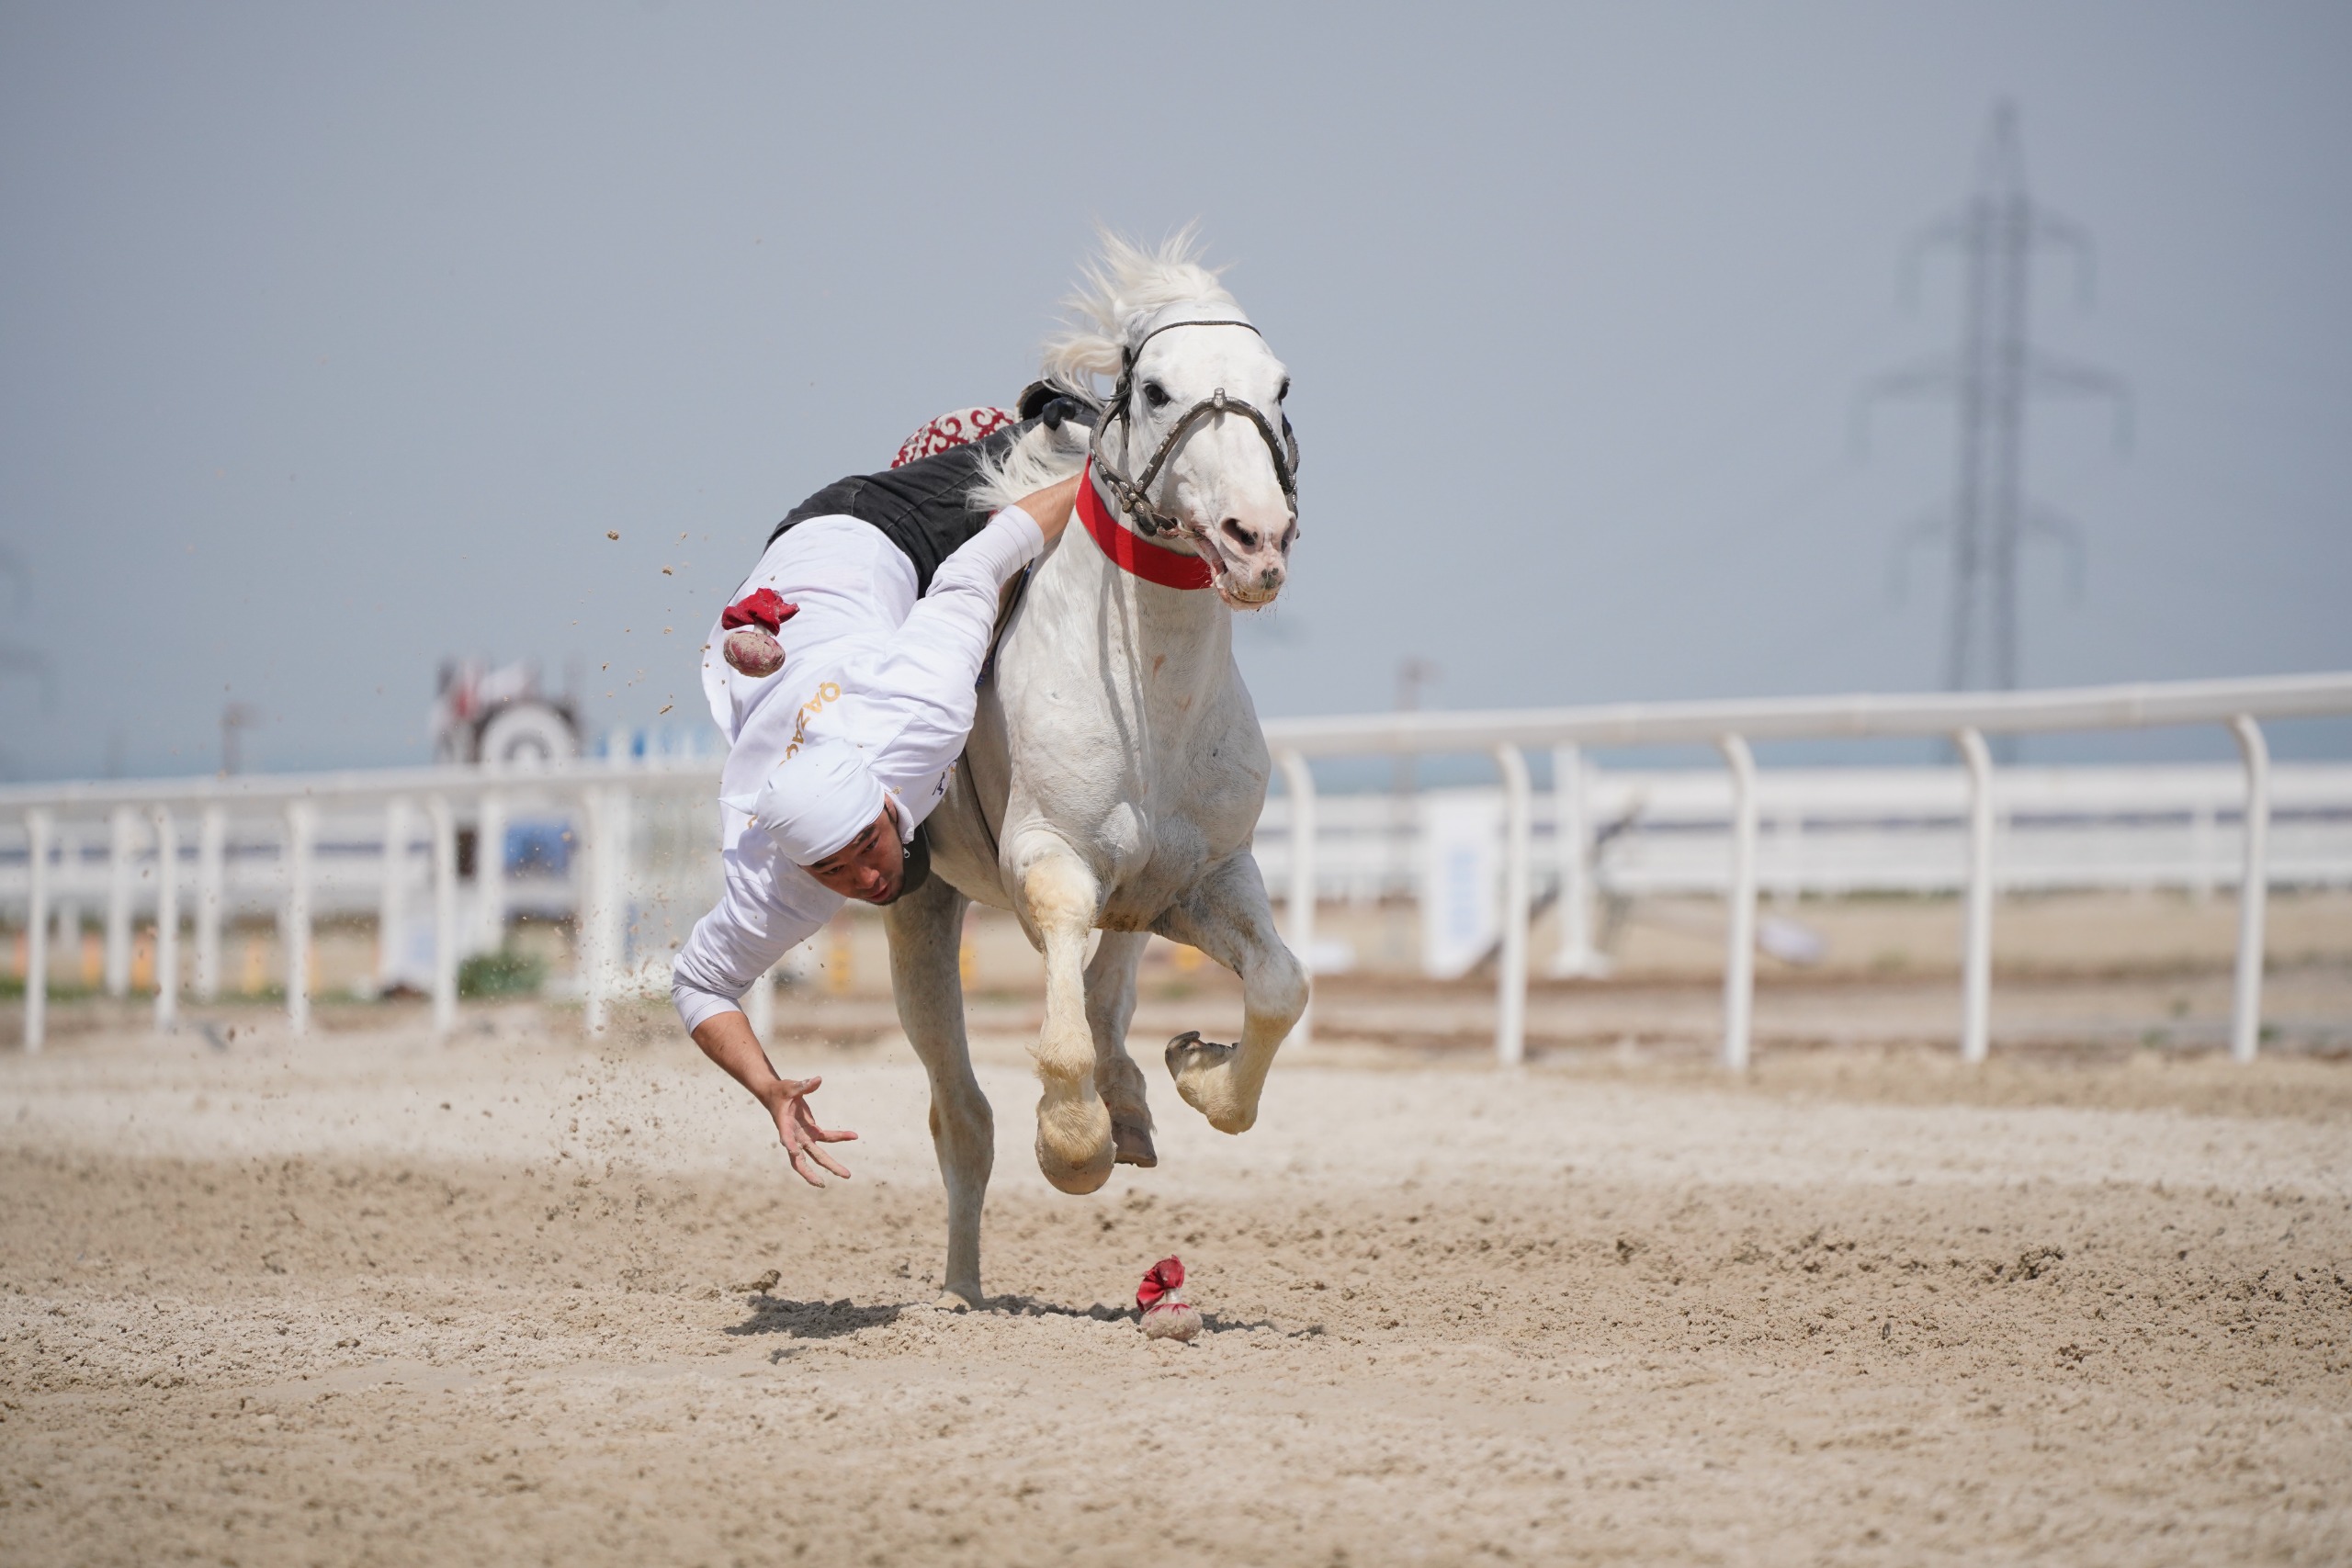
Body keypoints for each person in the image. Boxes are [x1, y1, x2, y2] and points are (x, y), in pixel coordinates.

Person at [670, 423, 1082, 1188]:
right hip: (796, 647)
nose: (862, 879)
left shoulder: (916, 714)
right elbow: (698, 984)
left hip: (865, 531)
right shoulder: (777, 881)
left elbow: (991, 551)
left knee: (1047, 451)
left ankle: (1039, 419)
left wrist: (1101, 480)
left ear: (887, 800)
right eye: (834, 870)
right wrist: (768, 1089)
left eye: (865, 846)